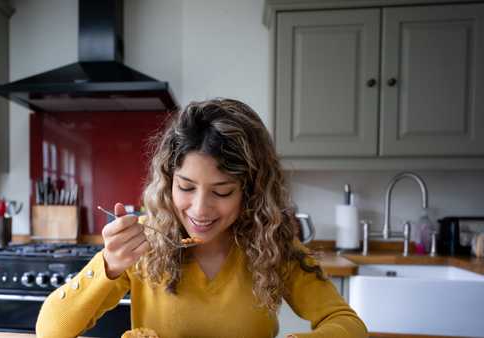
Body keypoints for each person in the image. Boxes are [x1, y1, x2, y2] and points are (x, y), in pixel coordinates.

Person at [36, 98, 368, 338]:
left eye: (221, 192)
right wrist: (108, 263)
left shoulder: (274, 246)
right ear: (168, 182)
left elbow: (347, 323)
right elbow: (50, 330)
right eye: (186, 187)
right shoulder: (145, 245)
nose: (199, 209)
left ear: (250, 191)